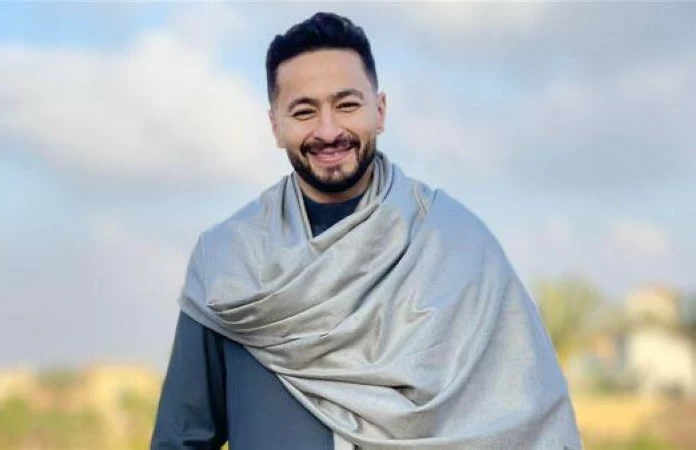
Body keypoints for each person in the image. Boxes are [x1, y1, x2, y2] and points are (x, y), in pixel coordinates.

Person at [151, 12, 581, 450]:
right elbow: (181, 439)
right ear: (276, 126)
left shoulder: (457, 246)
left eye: (347, 105)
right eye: (304, 111)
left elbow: (527, 422)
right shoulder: (227, 262)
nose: (328, 130)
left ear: (380, 111)